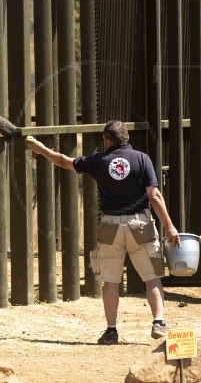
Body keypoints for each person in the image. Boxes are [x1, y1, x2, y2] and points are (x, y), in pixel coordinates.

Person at [24, 120, 180, 345]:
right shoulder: (142, 158)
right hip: (141, 224)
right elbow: (154, 195)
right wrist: (169, 225)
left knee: (110, 281)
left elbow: (64, 162)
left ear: (107, 140)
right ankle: (158, 322)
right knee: (152, 278)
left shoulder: (98, 161)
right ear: (125, 137)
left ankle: (111, 330)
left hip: (110, 226)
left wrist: (41, 149)